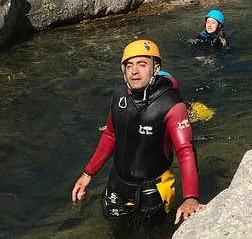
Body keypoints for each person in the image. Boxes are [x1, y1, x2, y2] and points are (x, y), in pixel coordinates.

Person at [71, 40, 202, 232]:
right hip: (118, 184)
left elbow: (185, 151)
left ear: (155, 68)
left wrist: (190, 197)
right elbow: (110, 135)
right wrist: (87, 174)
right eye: (129, 65)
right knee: (116, 232)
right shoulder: (119, 95)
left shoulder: (172, 104)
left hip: (154, 190)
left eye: (142, 64)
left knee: (155, 232)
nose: (134, 71)